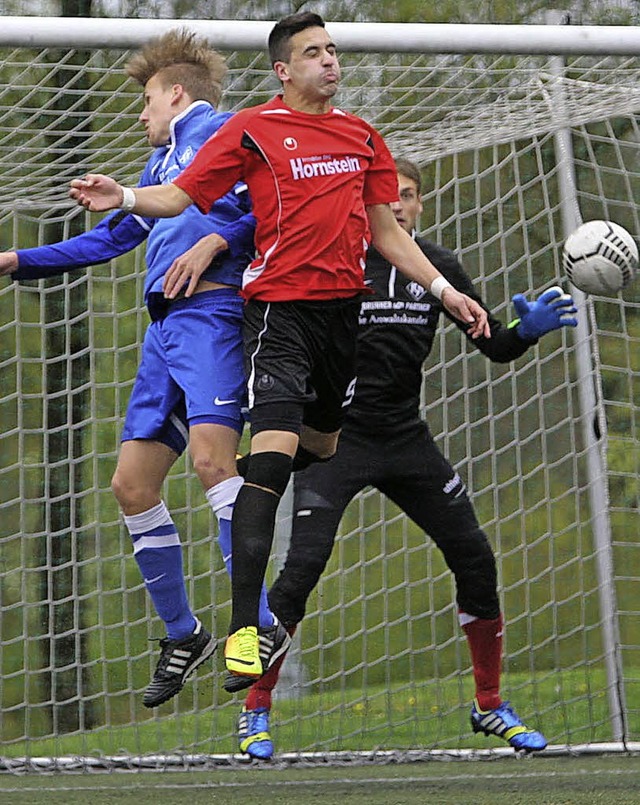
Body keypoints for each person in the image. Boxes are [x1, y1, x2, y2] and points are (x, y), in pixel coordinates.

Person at [68, 12, 491, 688]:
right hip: (276, 317)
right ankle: (246, 633)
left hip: (338, 319)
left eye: (332, 49)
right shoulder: (250, 130)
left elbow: (387, 232)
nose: (330, 61)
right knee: (262, 463)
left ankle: (246, 505)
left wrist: (443, 289)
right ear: (283, 70)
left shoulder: (362, 138)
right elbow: (180, 194)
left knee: (317, 446)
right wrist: (122, 194)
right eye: (314, 52)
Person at [235, 157, 578, 759]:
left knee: (474, 557)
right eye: (386, 195)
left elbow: (493, 344)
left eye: (409, 196)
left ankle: (491, 705)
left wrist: (526, 331)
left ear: (419, 206)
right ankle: (255, 711)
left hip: (404, 439)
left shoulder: (438, 269)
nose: (397, 206)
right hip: (334, 443)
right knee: (301, 572)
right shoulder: (334, 261)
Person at [1, 28, 288, 708]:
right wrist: (17, 261)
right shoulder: (162, 169)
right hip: (164, 332)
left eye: (148, 101)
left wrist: (220, 237)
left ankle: (262, 621)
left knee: (216, 464)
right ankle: (183, 633)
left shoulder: (229, 134)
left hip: (214, 316)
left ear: (178, 94)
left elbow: (276, 211)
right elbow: (111, 239)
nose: (141, 113)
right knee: (131, 486)